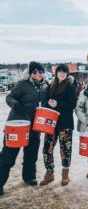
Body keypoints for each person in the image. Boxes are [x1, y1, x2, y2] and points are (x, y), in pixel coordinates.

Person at [0, 61, 48, 195]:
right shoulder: (23, 84)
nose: (37, 74)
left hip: (34, 126)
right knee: (8, 156)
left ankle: (29, 177)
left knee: (31, 154)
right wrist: (16, 105)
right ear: (30, 73)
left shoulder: (45, 86)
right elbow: (9, 97)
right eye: (34, 72)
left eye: (40, 71)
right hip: (17, 125)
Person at [40, 64, 77, 187]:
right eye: (60, 71)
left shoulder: (70, 87)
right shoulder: (51, 86)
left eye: (64, 71)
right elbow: (45, 102)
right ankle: (49, 172)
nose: (62, 73)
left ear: (67, 74)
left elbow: (72, 104)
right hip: (51, 123)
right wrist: (48, 103)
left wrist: (58, 104)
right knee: (47, 148)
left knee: (65, 149)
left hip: (65, 123)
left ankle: (65, 172)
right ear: (56, 73)